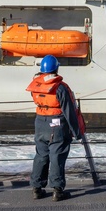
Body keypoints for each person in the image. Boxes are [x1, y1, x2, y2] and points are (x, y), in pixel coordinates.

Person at [28, 54, 82, 201]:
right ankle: (57, 191)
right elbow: (69, 112)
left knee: (41, 156)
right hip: (57, 125)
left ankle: (36, 189)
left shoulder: (35, 85)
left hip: (40, 123)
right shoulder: (60, 88)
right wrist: (77, 132)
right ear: (56, 68)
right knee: (57, 156)